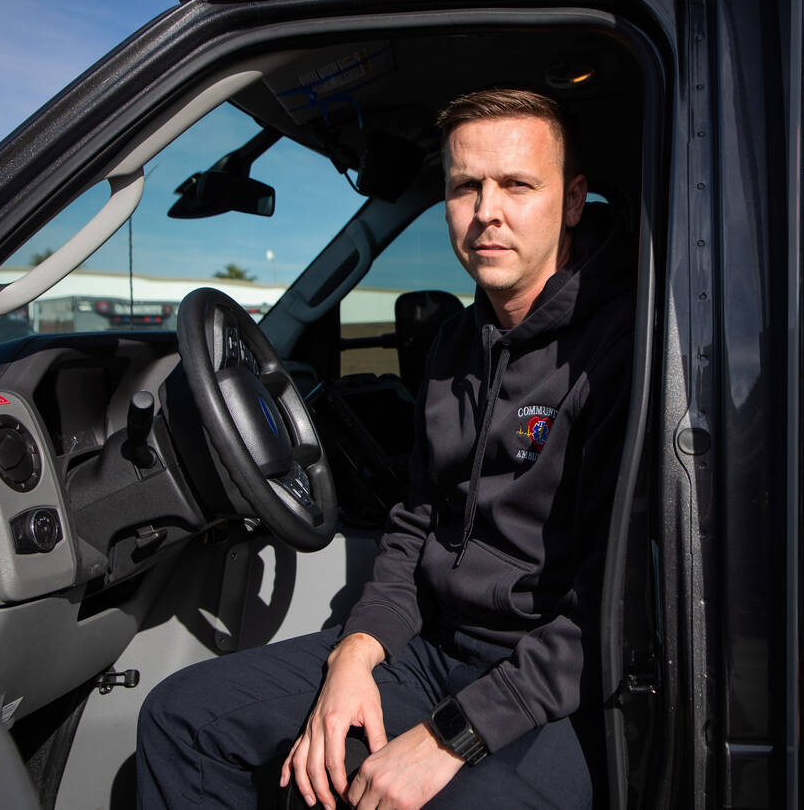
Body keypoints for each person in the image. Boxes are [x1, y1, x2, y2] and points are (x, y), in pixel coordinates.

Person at [136, 88, 634, 809]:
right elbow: (416, 524)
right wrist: (355, 653)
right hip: (431, 649)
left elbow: (609, 607)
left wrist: (449, 739)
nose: (486, 211)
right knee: (184, 721)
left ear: (573, 200)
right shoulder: (455, 344)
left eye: (518, 185)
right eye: (466, 186)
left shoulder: (617, 353)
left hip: (551, 688)